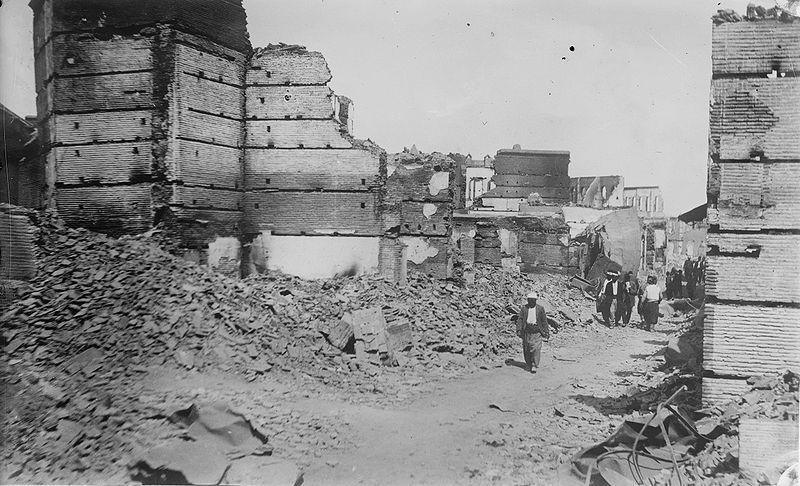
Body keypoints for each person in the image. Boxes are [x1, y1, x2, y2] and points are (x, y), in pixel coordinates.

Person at [515, 291, 549, 372]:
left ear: (536, 300)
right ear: (528, 300)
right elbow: (520, 319)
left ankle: (534, 364)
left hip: (537, 330)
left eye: (533, 300)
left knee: (536, 349)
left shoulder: (540, 309)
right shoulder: (524, 308)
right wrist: (519, 329)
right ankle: (528, 364)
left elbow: (544, 321)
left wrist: (546, 331)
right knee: (527, 349)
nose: (531, 301)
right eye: (530, 300)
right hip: (527, 331)